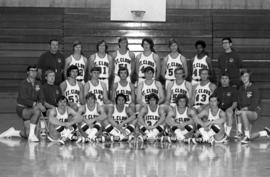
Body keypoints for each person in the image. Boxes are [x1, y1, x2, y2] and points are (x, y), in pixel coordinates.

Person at [0, 65, 45, 142]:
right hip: (22, 108)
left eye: (35, 71)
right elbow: (24, 99)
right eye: (32, 70)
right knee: (37, 110)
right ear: (27, 72)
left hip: (32, 109)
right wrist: (36, 104)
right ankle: (31, 136)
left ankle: (13, 132)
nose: (34, 72)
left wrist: (41, 103)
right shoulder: (23, 84)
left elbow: (41, 97)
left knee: (26, 134)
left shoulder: (38, 83)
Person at [236, 70, 269, 144]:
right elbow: (240, 103)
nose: (244, 78)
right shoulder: (240, 89)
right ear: (241, 78)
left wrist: (245, 109)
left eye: (246, 76)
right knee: (250, 136)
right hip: (245, 113)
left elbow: (255, 103)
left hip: (254, 112)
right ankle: (265, 132)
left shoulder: (254, 88)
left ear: (249, 77)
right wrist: (240, 109)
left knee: (243, 113)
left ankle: (246, 137)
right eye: (242, 76)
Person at [213, 73, 237, 137]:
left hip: (229, 108)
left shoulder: (233, 90)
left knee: (229, 113)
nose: (224, 80)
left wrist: (231, 108)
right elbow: (212, 101)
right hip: (219, 109)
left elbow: (235, 103)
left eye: (226, 78)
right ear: (220, 80)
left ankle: (227, 134)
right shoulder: (217, 90)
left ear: (229, 80)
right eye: (222, 78)